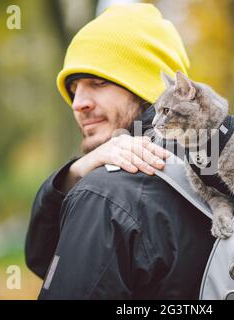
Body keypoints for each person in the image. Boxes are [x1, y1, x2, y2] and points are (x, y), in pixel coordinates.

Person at [25, 3, 215, 299]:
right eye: (74, 89)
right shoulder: (219, 164)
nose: (78, 103)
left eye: (98, 82)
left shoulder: (105, 195)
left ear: (149, 89)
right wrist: (74, 173)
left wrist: (91, 185)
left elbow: (43, 263)